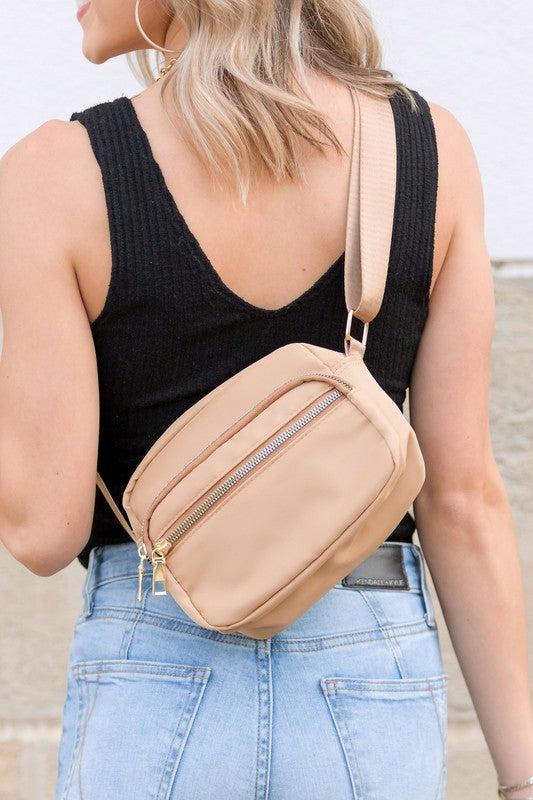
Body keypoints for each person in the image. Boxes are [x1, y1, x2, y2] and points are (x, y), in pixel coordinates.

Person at [0, 1, 532, 798]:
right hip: (367, 657)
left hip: (154, 657)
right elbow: (461, 500)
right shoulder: (427, 149)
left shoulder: (53, 173)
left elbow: (45, 531)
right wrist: (521, 773)